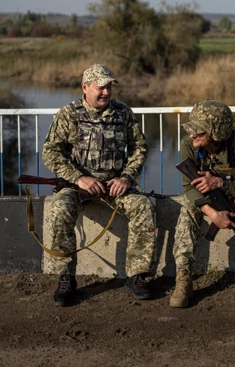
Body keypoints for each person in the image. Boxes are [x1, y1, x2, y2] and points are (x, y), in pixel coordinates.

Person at [41, 63, 154, 307]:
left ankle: (137, 276)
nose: (106, 92)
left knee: (143, 206)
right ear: (85, 87)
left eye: (109, 88)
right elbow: (50, 152)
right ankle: (66, 278)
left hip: (116, 186)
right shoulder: (69, 114)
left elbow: (140, 148)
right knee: (60, 208)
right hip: (78, 185)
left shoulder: (123, 113)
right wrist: (78, 177)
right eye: (100, 88)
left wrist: (126, 177)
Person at [170, 100, 235, 308]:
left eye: (199, 132)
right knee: (187, 212)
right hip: (205, 198)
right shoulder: (188, 146)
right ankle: (183, 278)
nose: (192, 136)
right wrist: (213, 214)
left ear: (216, 133)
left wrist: (221, 183)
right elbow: (189, 188)